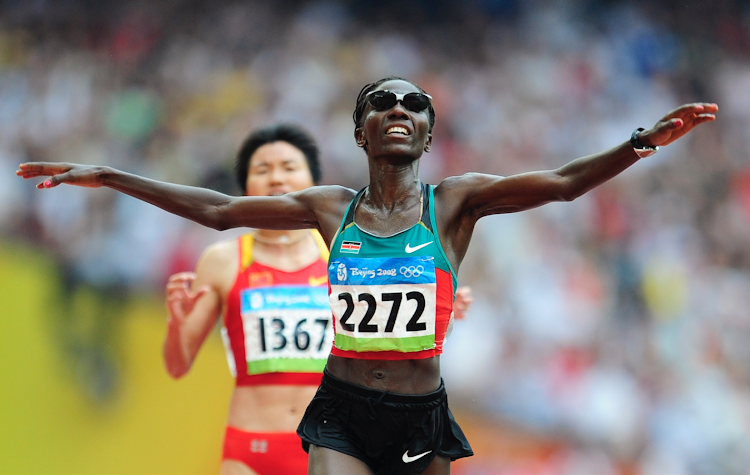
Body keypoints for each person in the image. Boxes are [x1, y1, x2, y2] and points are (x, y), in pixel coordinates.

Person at [17, 76, 717, 475]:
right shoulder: (331, 209)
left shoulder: (457, 202)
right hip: (342, 413)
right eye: (382, 103)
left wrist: (638, 144)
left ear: (429, 133)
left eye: (415, 105)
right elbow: (222, 210)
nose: (398, 112)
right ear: (360, 133)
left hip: (421, 414)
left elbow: (563, 183)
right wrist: (108, 175)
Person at [162, 122, 474, 475]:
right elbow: (177, 365)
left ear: (312, 182)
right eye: (262, 170)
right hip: (250, 447)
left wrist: (440, 312)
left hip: (332, 441)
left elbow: (397, 338)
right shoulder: (223, 261)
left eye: (289, 168)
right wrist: (177, 323)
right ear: (245, 186)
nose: (276, 179)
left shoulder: (342, 254)